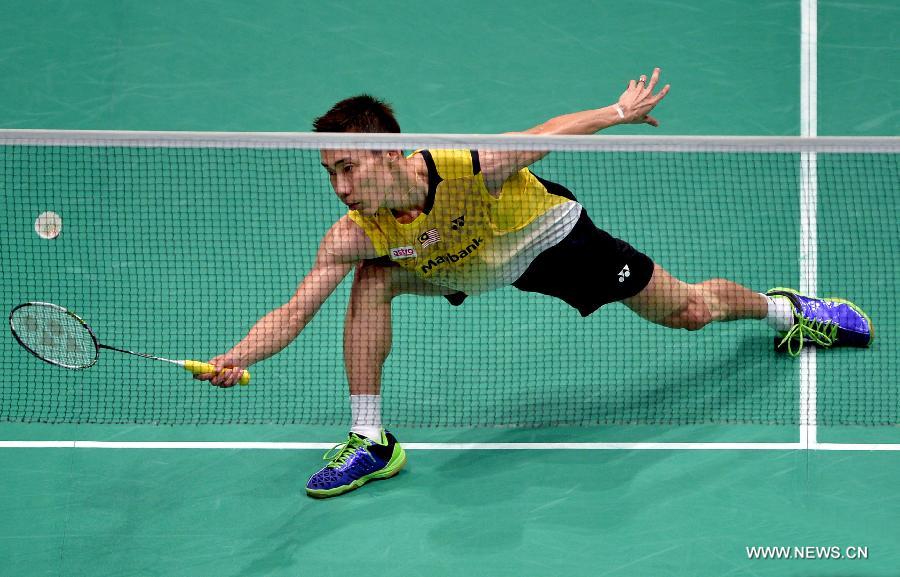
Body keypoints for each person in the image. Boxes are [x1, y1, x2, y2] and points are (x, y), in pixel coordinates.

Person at [196, 68, 873, 498]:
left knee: (691, 310)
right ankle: (372, 439)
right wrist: (236, 358)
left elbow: (547, 133)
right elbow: (294, 309)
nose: (341, 189)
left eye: (350, 169)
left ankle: (787, 310)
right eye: (330, 175)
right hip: (457, 262)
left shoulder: (465, 167)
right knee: (369, 281)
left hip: (546, 241)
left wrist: (617, 111)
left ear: (388, 154)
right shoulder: (355, 233)